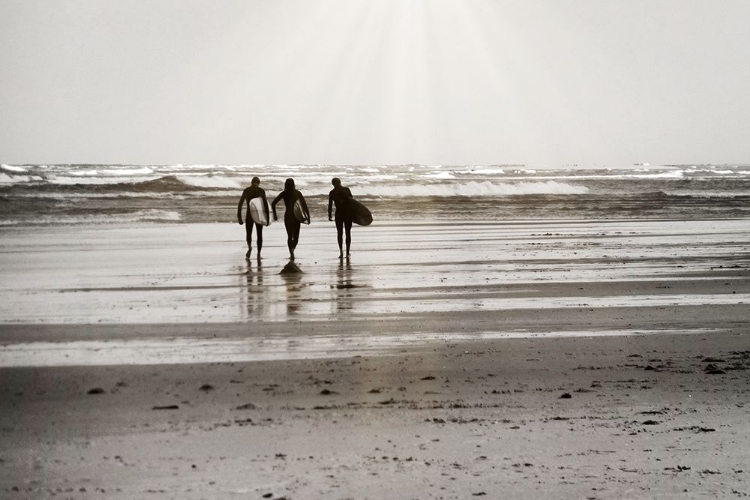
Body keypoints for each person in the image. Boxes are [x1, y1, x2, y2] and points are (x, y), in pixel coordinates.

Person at [272, 178, 309, 260]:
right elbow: (304, 205)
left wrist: (275, 215)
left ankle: (291, 252)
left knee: (289, 236)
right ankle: (292, 250)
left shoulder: (284, 193)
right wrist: (308, 216)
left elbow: (273, 203)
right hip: (296, 216)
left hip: (288, 216)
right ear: (293, 184)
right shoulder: (298, 193)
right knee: (296, 237)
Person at [237, 177, 269, 260]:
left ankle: (250, 247)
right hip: (258, 215)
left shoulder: (247, 190)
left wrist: (239, 217)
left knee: (248, 233)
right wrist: (268, 217)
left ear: (251, 182)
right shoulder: (261, 191)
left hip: (249, 215)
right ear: (258, 183)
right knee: (259, 234)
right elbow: (265, 205)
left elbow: (240, 204)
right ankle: (258, 253)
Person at [328, 177, 353, 259]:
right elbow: (352, 201)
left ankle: (341, 252)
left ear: (333, 184)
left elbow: (330, 205)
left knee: (339, 233)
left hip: (338, 214)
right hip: (348, 213)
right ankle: (348, 252)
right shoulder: (346, 189)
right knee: (348, 232)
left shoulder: (332, 192)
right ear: (340, 182)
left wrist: (329, 215)